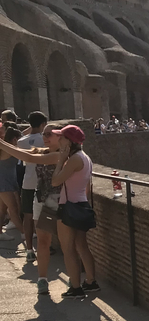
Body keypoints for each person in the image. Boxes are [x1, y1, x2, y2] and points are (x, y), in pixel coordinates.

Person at [0, 123, 63, 294]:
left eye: (49, 134)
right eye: (44, 133)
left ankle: (79, 281)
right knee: (43, 242)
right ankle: (42, 280)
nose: (45, 137)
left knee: (68, 243)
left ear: (61, 137)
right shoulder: (44, 151)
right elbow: (26, 153)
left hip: (59, 201)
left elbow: (30, 158)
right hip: (41, 199)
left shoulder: (61, 155)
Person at [51, 125, 99, 299]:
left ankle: (76, 287)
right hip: (81, 204)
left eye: (62, 137)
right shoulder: (85, 158)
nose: (59, 140)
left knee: (68, 248)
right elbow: (86, 187)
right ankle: (91, 281)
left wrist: (60, 160)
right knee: (82, 245)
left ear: (70, 141)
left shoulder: (73, 160)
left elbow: (56, 181)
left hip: (69, 206)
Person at [17, 112, 47, 263]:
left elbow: (22, 134)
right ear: (43, 125)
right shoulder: (45, 140)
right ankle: (45, 247)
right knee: (44, 217)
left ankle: (29, 250)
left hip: (27, 182)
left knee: (28, 216)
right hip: (43, 182)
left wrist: (32, 127)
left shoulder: (21, 141)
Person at [0, 125, 26, 247]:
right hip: (4, 184)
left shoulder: (7, 147)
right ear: (15, 139)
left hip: (7, 182)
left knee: (2, 210)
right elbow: (24, 154)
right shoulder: (8, 150)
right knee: (13, 209)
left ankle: (0, 233)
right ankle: (24, 233)